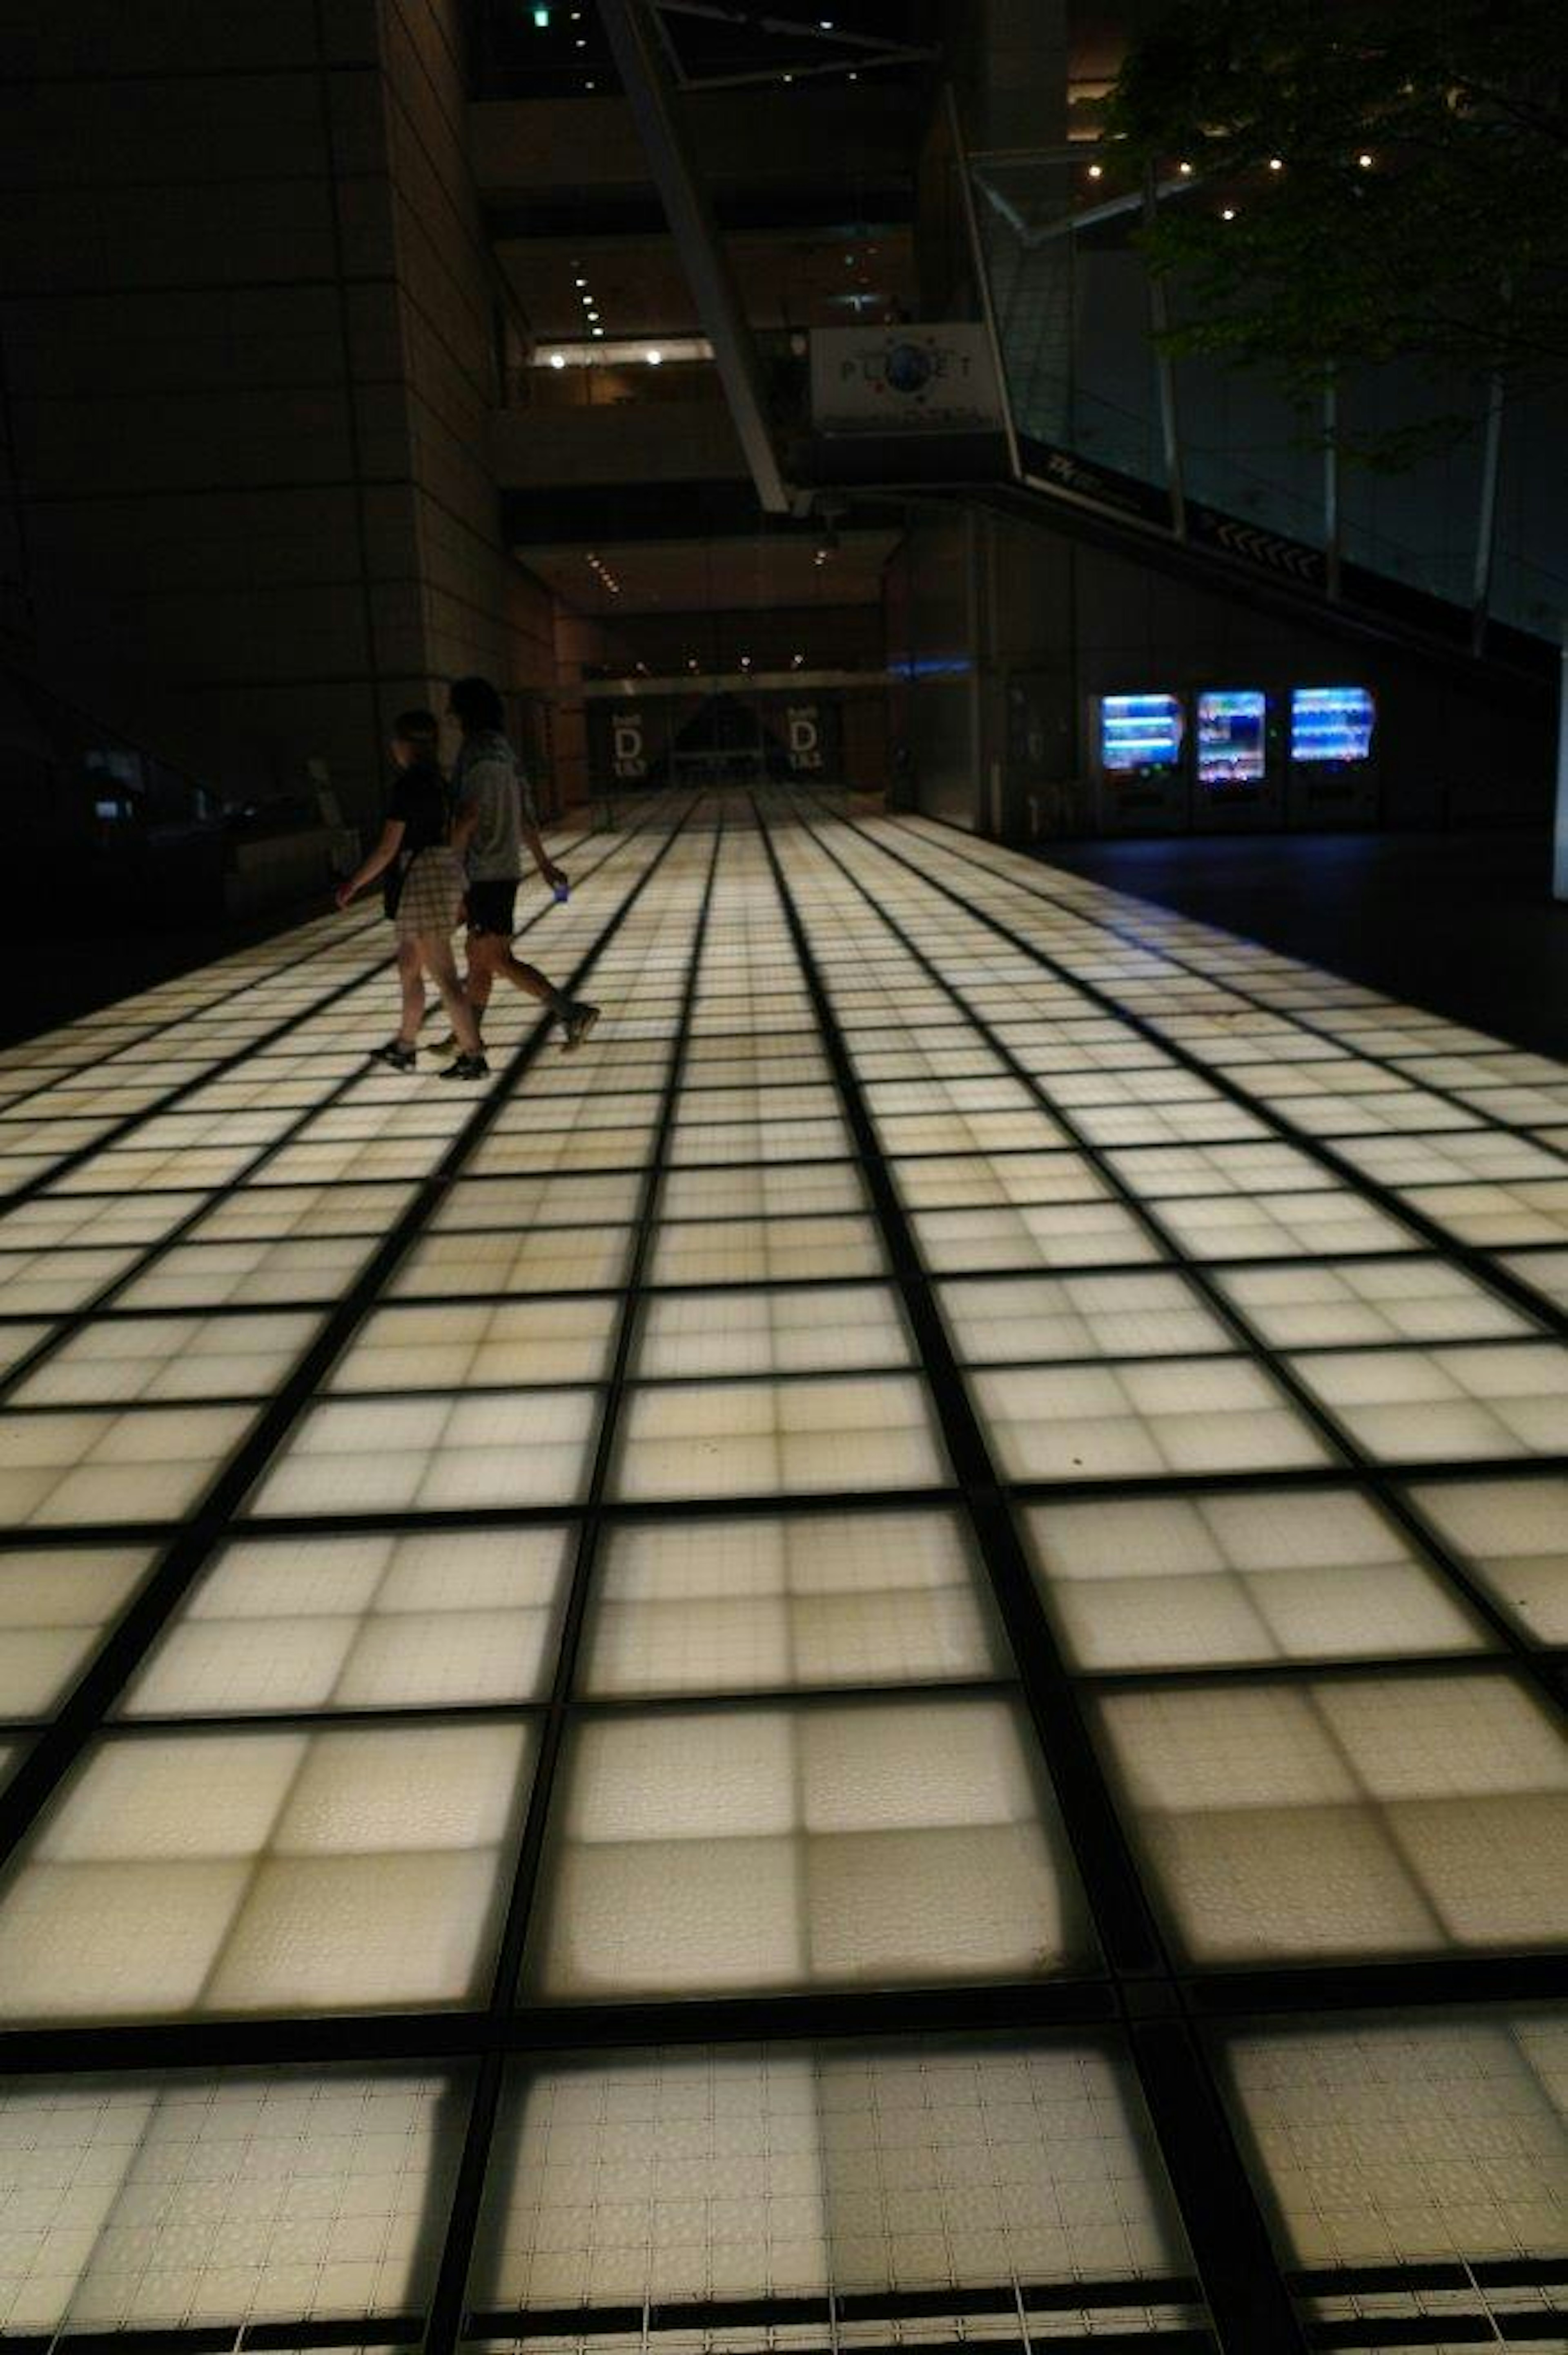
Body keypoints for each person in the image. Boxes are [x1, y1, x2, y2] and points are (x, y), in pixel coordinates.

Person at [434, 676, 599, 1054]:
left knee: (492, 956)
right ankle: (467, 1034)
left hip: (484, 871)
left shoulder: (476, 753)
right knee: (479, 958)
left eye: (454, 708)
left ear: (465, 712)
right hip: (503, 868)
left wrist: (447, 865)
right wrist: (544, 864)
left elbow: (469, 815)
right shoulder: (506, 753)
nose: (450, 715)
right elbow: (525, 815)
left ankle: (571, 1012)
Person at [334, 708, 490, 1081]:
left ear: (404, 745)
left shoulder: (408, 786)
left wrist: (354, 883)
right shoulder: (441, 783)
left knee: (444, 975)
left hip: (420, 881)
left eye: (396, 742)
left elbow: (389, 848)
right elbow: (456, 833)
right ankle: (405, 1046)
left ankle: (474, 1056)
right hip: (440, 874)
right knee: (409, 967)